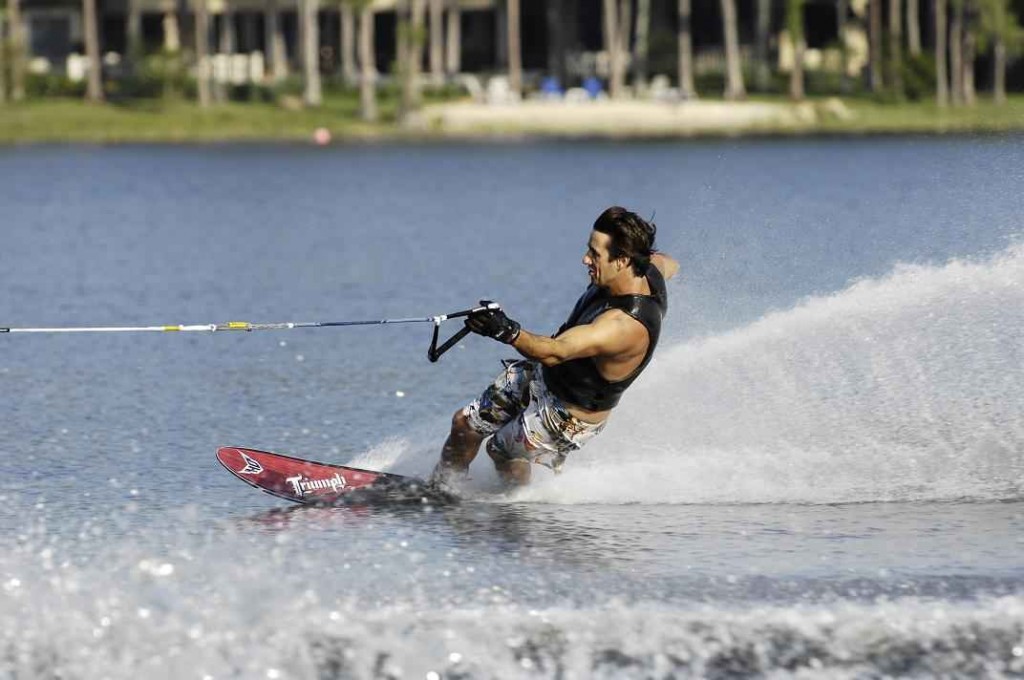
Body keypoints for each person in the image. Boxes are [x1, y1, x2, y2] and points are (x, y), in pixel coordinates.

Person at [430, 206, 679, 488]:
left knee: (501, 451)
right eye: (589, 249)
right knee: (464, 424)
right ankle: (441, 491)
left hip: (565, 414)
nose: (586, 259)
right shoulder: (648, 266)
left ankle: (514, 509)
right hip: (545, 376)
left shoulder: (622, 326)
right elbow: (670, 263)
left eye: (595, 254)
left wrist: (505, 330)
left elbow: (555, 351)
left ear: (621, 261)